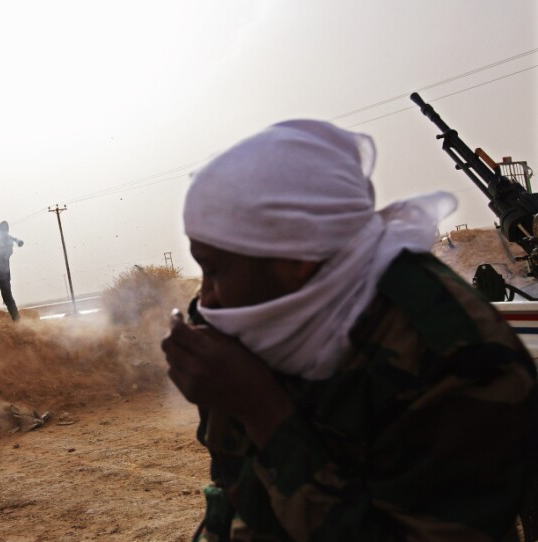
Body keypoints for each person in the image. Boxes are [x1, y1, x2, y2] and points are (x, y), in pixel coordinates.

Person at [161, 120, 538, 541]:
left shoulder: (459, 358)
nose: (206, 301)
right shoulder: (259, 316)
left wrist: (262, 411)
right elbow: (236, 497)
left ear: (298, 257)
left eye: (214, 270)